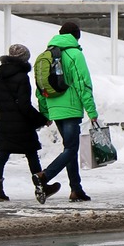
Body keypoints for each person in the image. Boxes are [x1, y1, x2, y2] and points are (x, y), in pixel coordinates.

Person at [0, 44, 59, 204]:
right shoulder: (22, 77)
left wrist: (5, 109)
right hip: (22, 125)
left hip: (4, 123)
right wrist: (41, 119)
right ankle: (42, 187)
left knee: (2, 156)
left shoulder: (0, 74)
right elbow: (24, 106)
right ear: (25, 59)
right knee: (31, 154)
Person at [37, 22, 100, 203]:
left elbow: (40, 86)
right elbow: (83, 84)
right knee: (71, 148)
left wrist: (45, 111)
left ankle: (76, 189)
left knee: (69, 148)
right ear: (76, 36)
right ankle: (44, 176)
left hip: (55, 109)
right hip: (71, 109)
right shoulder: (75, 54)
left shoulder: (46, 55)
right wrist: (91, 110)